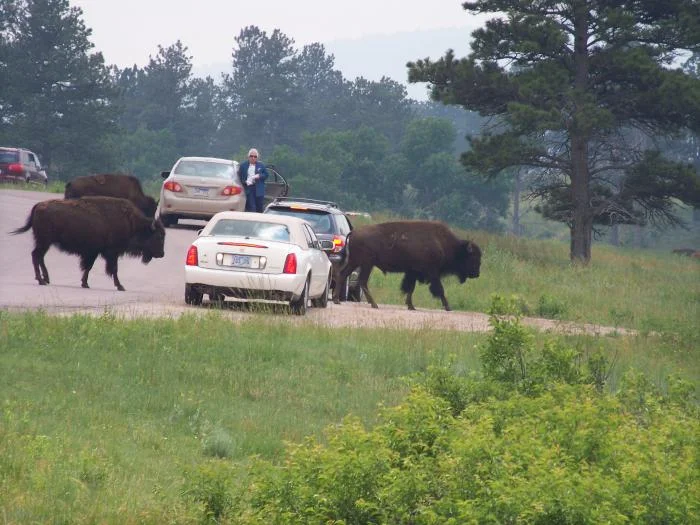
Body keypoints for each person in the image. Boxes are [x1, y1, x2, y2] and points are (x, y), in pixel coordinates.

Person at [238, 148, 269, 212]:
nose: (253, 158)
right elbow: (240, 177)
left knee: (259, 207)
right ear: (248, 156)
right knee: (252, 207)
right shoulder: (243, 165)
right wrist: (245, 182)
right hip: (249, 188)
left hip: (259, 188)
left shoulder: (261, 165)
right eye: (251, 156)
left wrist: (259, 176)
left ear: (257, 157)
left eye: (255, 156)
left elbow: (266, 175)